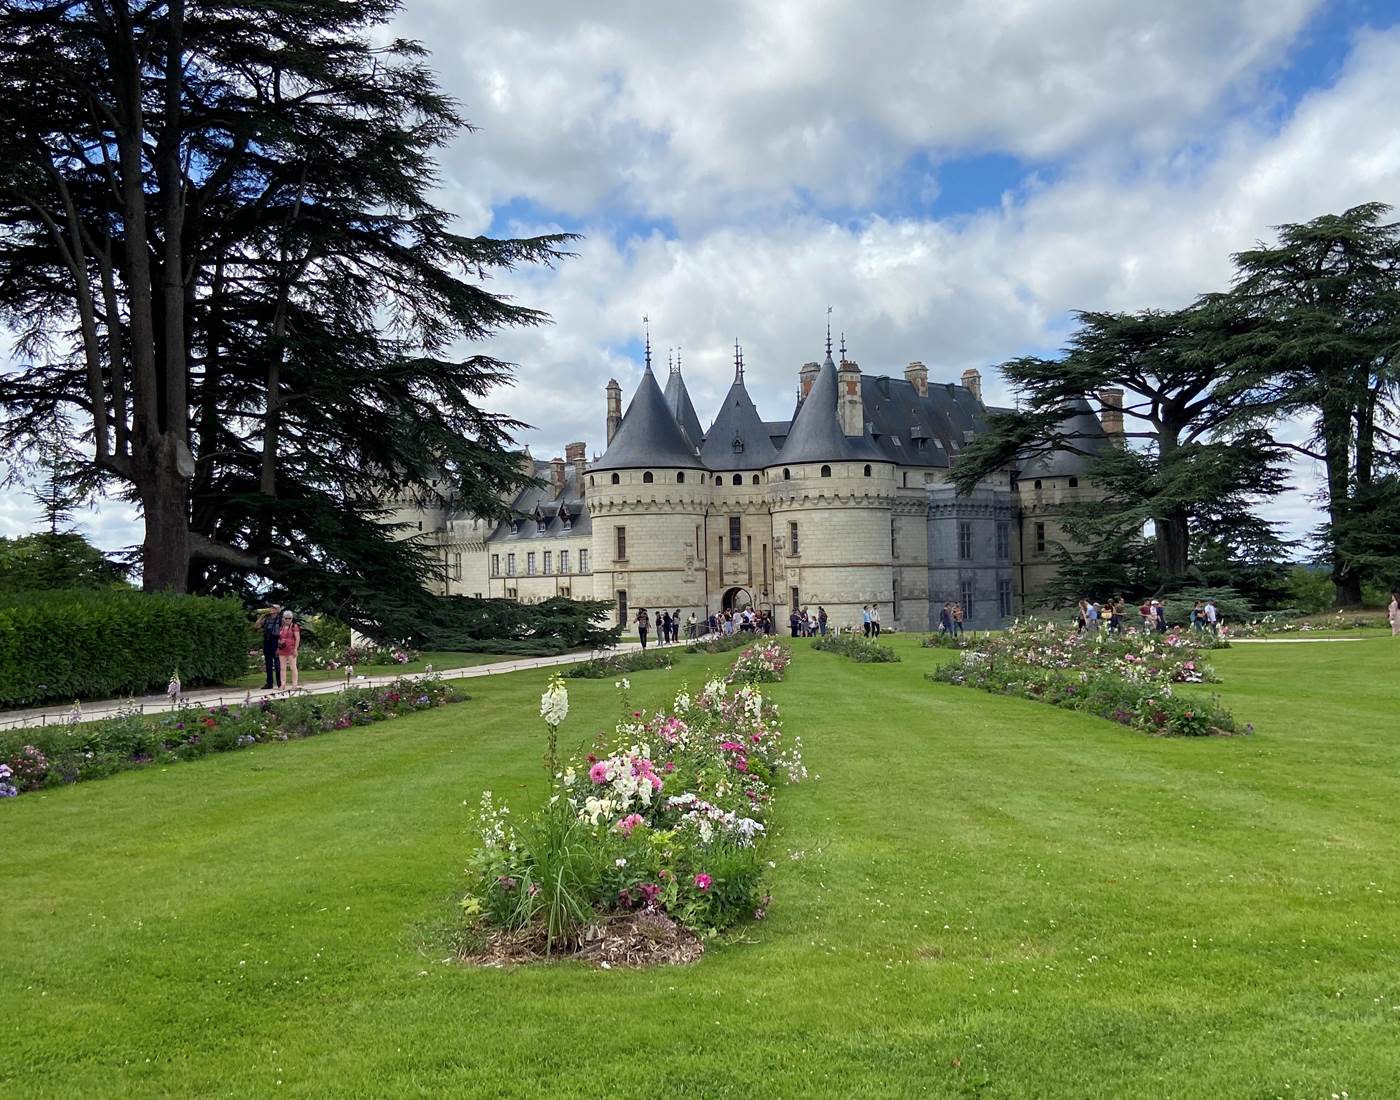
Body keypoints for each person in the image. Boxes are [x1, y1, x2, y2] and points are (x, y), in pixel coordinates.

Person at [258, 604, 284, 690]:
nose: (271, 609)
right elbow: (256, 626)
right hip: (267, 641)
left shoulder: (280, 620)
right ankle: (269, 683)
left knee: (277, 664)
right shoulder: (266, 619)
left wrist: (279, 646)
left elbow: (283, 633)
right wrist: (262, 616)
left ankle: (280, 683)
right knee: (268, 663)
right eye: (271, 608)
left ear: (277, 610)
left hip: (276, 641)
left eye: (273, 608)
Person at [277, 610, 302, 689]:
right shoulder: (281, 627)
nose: (287, 620)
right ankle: (283, 684)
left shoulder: (294, 626)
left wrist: (295, 649)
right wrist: (278, 647)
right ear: (283, 618)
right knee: (282, 668)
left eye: (289, 618)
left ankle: (294, 685)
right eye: (286, 618)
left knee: (293, 667)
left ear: (292, 618)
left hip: (291, 649)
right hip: (282, 650)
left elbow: (297, 638)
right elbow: (279, 638)